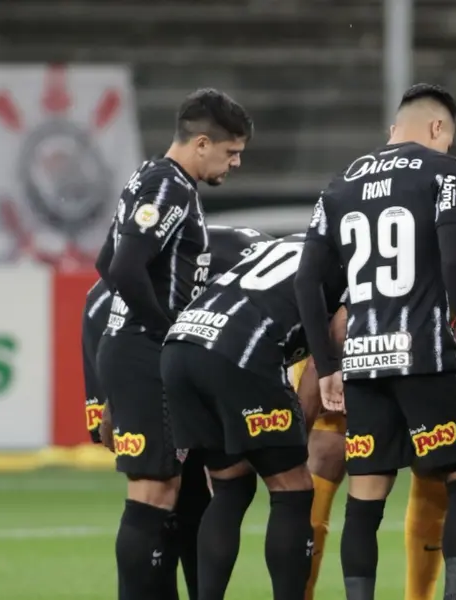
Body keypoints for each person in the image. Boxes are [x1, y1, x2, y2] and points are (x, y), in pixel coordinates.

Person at [294, 83, 456, 600]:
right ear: (437, 128)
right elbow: (455, 260)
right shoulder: (444, 170)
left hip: (362, 362)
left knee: (365, 497)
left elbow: (306, 282)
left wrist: (328, 365)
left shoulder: (340, 184)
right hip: (425, 356)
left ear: (393, 128)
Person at [94, 88, 251, 600]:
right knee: (153, 491)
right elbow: (123, 269)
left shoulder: (151, 177)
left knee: (173, 489)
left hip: (133, 348)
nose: (236, 162)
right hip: (145, 352)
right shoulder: (168, 185)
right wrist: (168, 333)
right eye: (230, 152)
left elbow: (105, 262)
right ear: (201, 143)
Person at [83, 224, 284, 599]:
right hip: (135, 322)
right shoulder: (278, 287)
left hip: (145, 320)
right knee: (162, 486)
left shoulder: (269, 267)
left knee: (191, 484)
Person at [161, 231, 342, 600]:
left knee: (230, 486)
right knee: (293, 489)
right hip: (239, 351)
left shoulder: (288, 243)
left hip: (181, 345)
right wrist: (293, 439)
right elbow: (325, 353)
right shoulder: (354, 261)